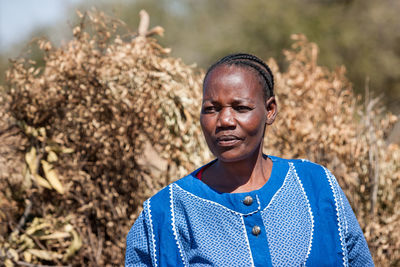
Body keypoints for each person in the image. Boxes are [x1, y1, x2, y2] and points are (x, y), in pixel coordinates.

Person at [125, 53, 374, 266]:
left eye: (241, 108)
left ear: (270, 110)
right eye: (211, 109)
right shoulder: (165, 213)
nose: (224, 121)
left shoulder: (317, 187)